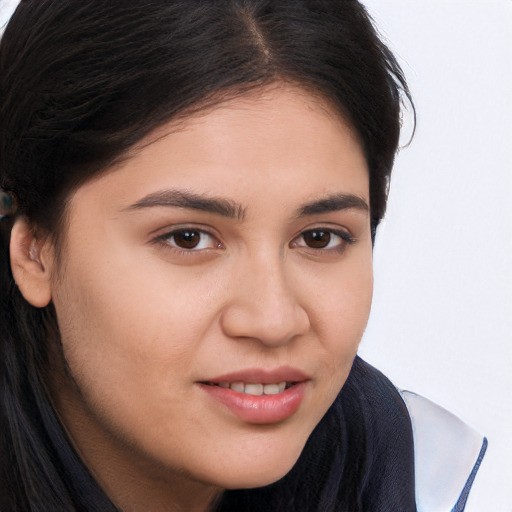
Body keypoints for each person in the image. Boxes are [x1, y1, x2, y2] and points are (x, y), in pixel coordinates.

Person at [0, 1, 486, 511]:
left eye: (319, 238)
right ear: (35, 253)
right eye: (188, 238)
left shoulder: (405, 474)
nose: (273, 320)